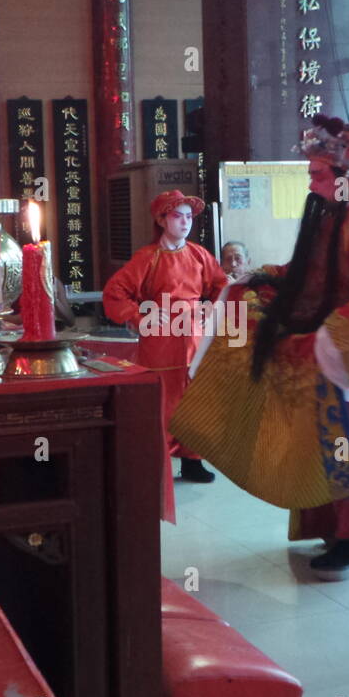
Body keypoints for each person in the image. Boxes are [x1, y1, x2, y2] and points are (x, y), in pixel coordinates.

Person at [171, 115, 349, 580]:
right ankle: (337, 528)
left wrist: (332, 335)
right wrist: (265, 276)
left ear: (346, 176)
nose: (311, 184)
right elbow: (309, 274)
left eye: (317, 175)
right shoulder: (338, 218)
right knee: (330, 445)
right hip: (329, 351)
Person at [103, 190, 226, 485]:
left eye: (188, 217)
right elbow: (114, 292)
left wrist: (213, 307)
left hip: (195, 336)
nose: (185, 222)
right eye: (177, 216)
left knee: (196, 400)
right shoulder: (147, 257)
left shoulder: (199, 254)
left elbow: (221, 284)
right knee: (164, 403)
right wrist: (139, 316)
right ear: (162, 220)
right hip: (161, 340)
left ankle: (193, 461)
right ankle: (156, 464)